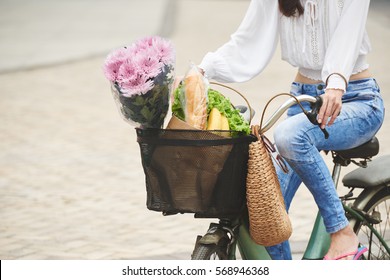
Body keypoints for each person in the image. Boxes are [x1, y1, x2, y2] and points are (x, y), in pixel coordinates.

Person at [198, 0, 385, 260]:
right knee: (263, 214)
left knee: (289, 135)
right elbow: (247, 40)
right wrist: (203, 70)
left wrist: (335, 81)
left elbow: (348, 35)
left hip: (356, 100)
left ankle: (341, 231)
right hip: (304, 102)